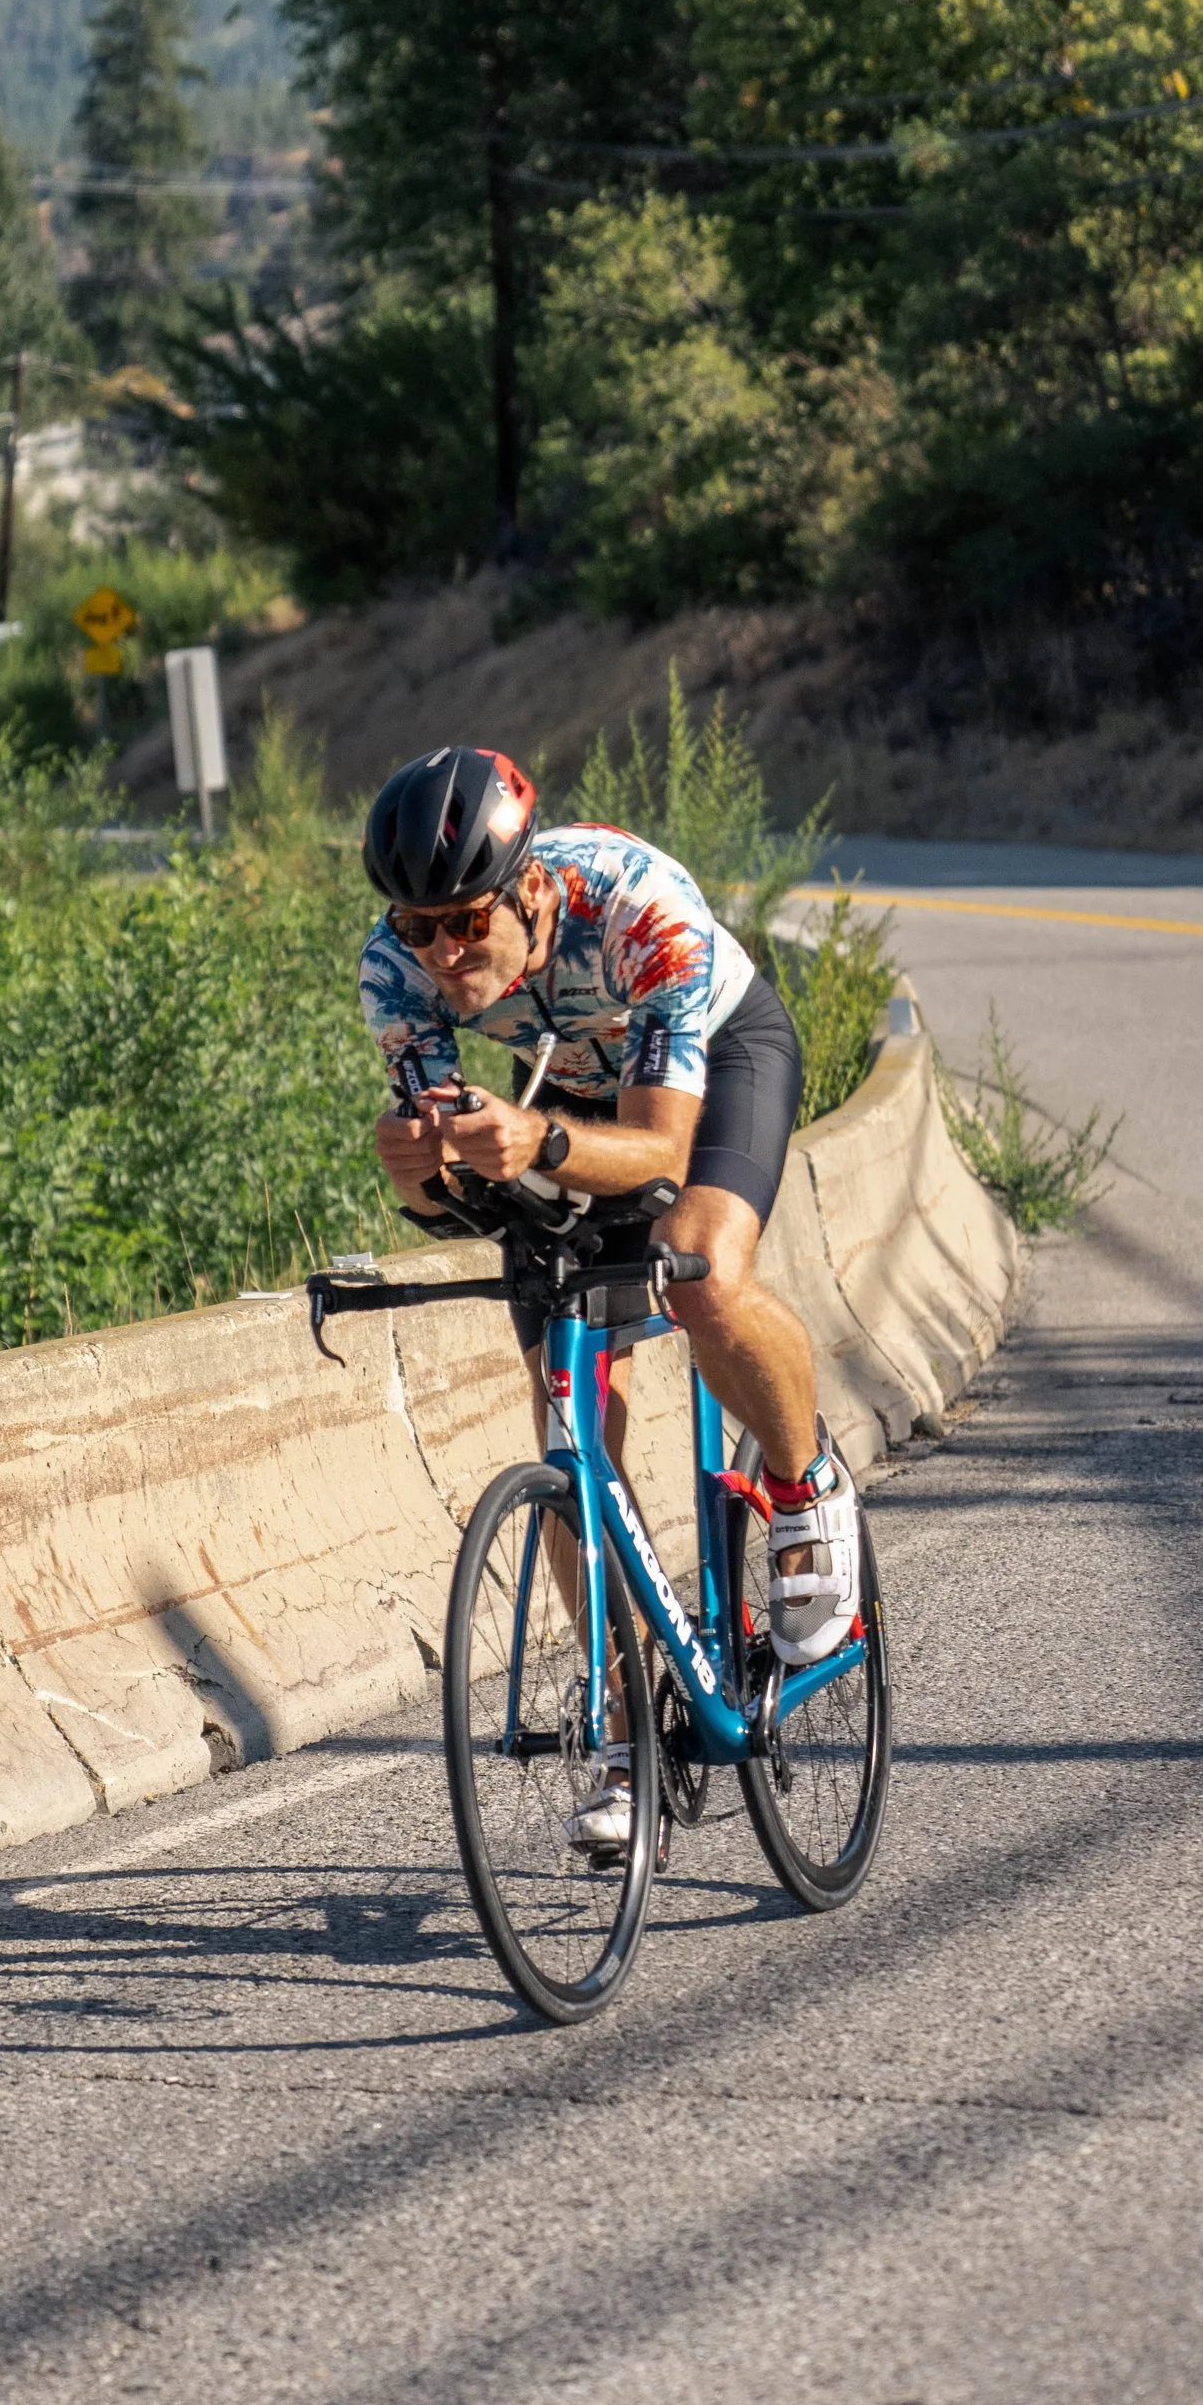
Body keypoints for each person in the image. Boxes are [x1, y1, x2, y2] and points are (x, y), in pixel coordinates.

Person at [358, 741, 860, 1853]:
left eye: (465, 921)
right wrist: (425, 1180)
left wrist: (535, 1136)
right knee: (569, 1425)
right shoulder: (393, 973)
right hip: (562, 1110)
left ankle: (803, 1484)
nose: (442, 951)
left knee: (702, 1272)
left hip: (708, 1067)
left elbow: (659, 1151)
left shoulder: (638, 910)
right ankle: (629, 1731)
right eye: (415, 924)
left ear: (528, 888)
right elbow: (462, 1189)